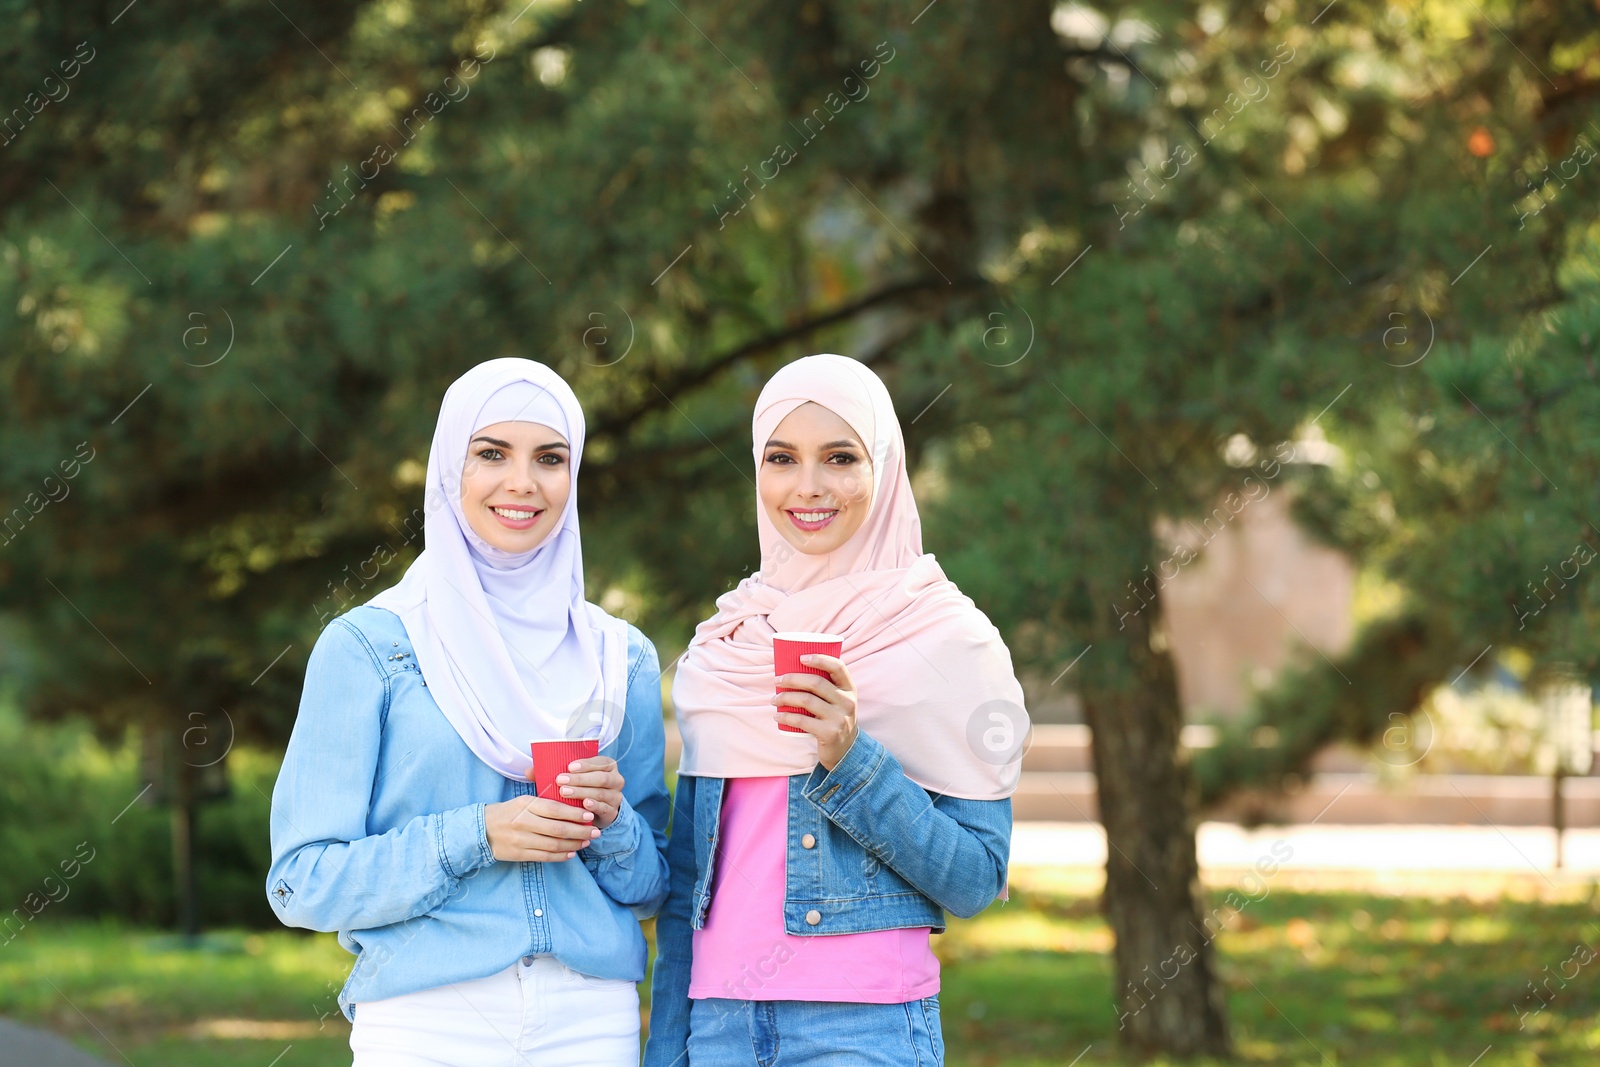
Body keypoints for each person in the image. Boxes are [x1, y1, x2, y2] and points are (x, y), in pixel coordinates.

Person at [266, 358, 669, 1067]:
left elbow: (651, 888)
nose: (523, 482)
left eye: (550, 458)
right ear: (451, 466)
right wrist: (476, 834)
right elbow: (303, 881)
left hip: (591, 1018)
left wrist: (615, 824)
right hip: (428, 1020)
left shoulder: (620, 656)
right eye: (492, 454)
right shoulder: (372, 646)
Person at [644, 354, 1028, 1066]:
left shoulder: (947, 637)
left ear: (883, 467)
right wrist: (667, 1048)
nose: (809, 486)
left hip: (862, 1027)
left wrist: (853, 760)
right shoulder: (726, 643)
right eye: (782, 458)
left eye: (840, 457)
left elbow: (976, 876)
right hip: (718, 1024)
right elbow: (685, 895)